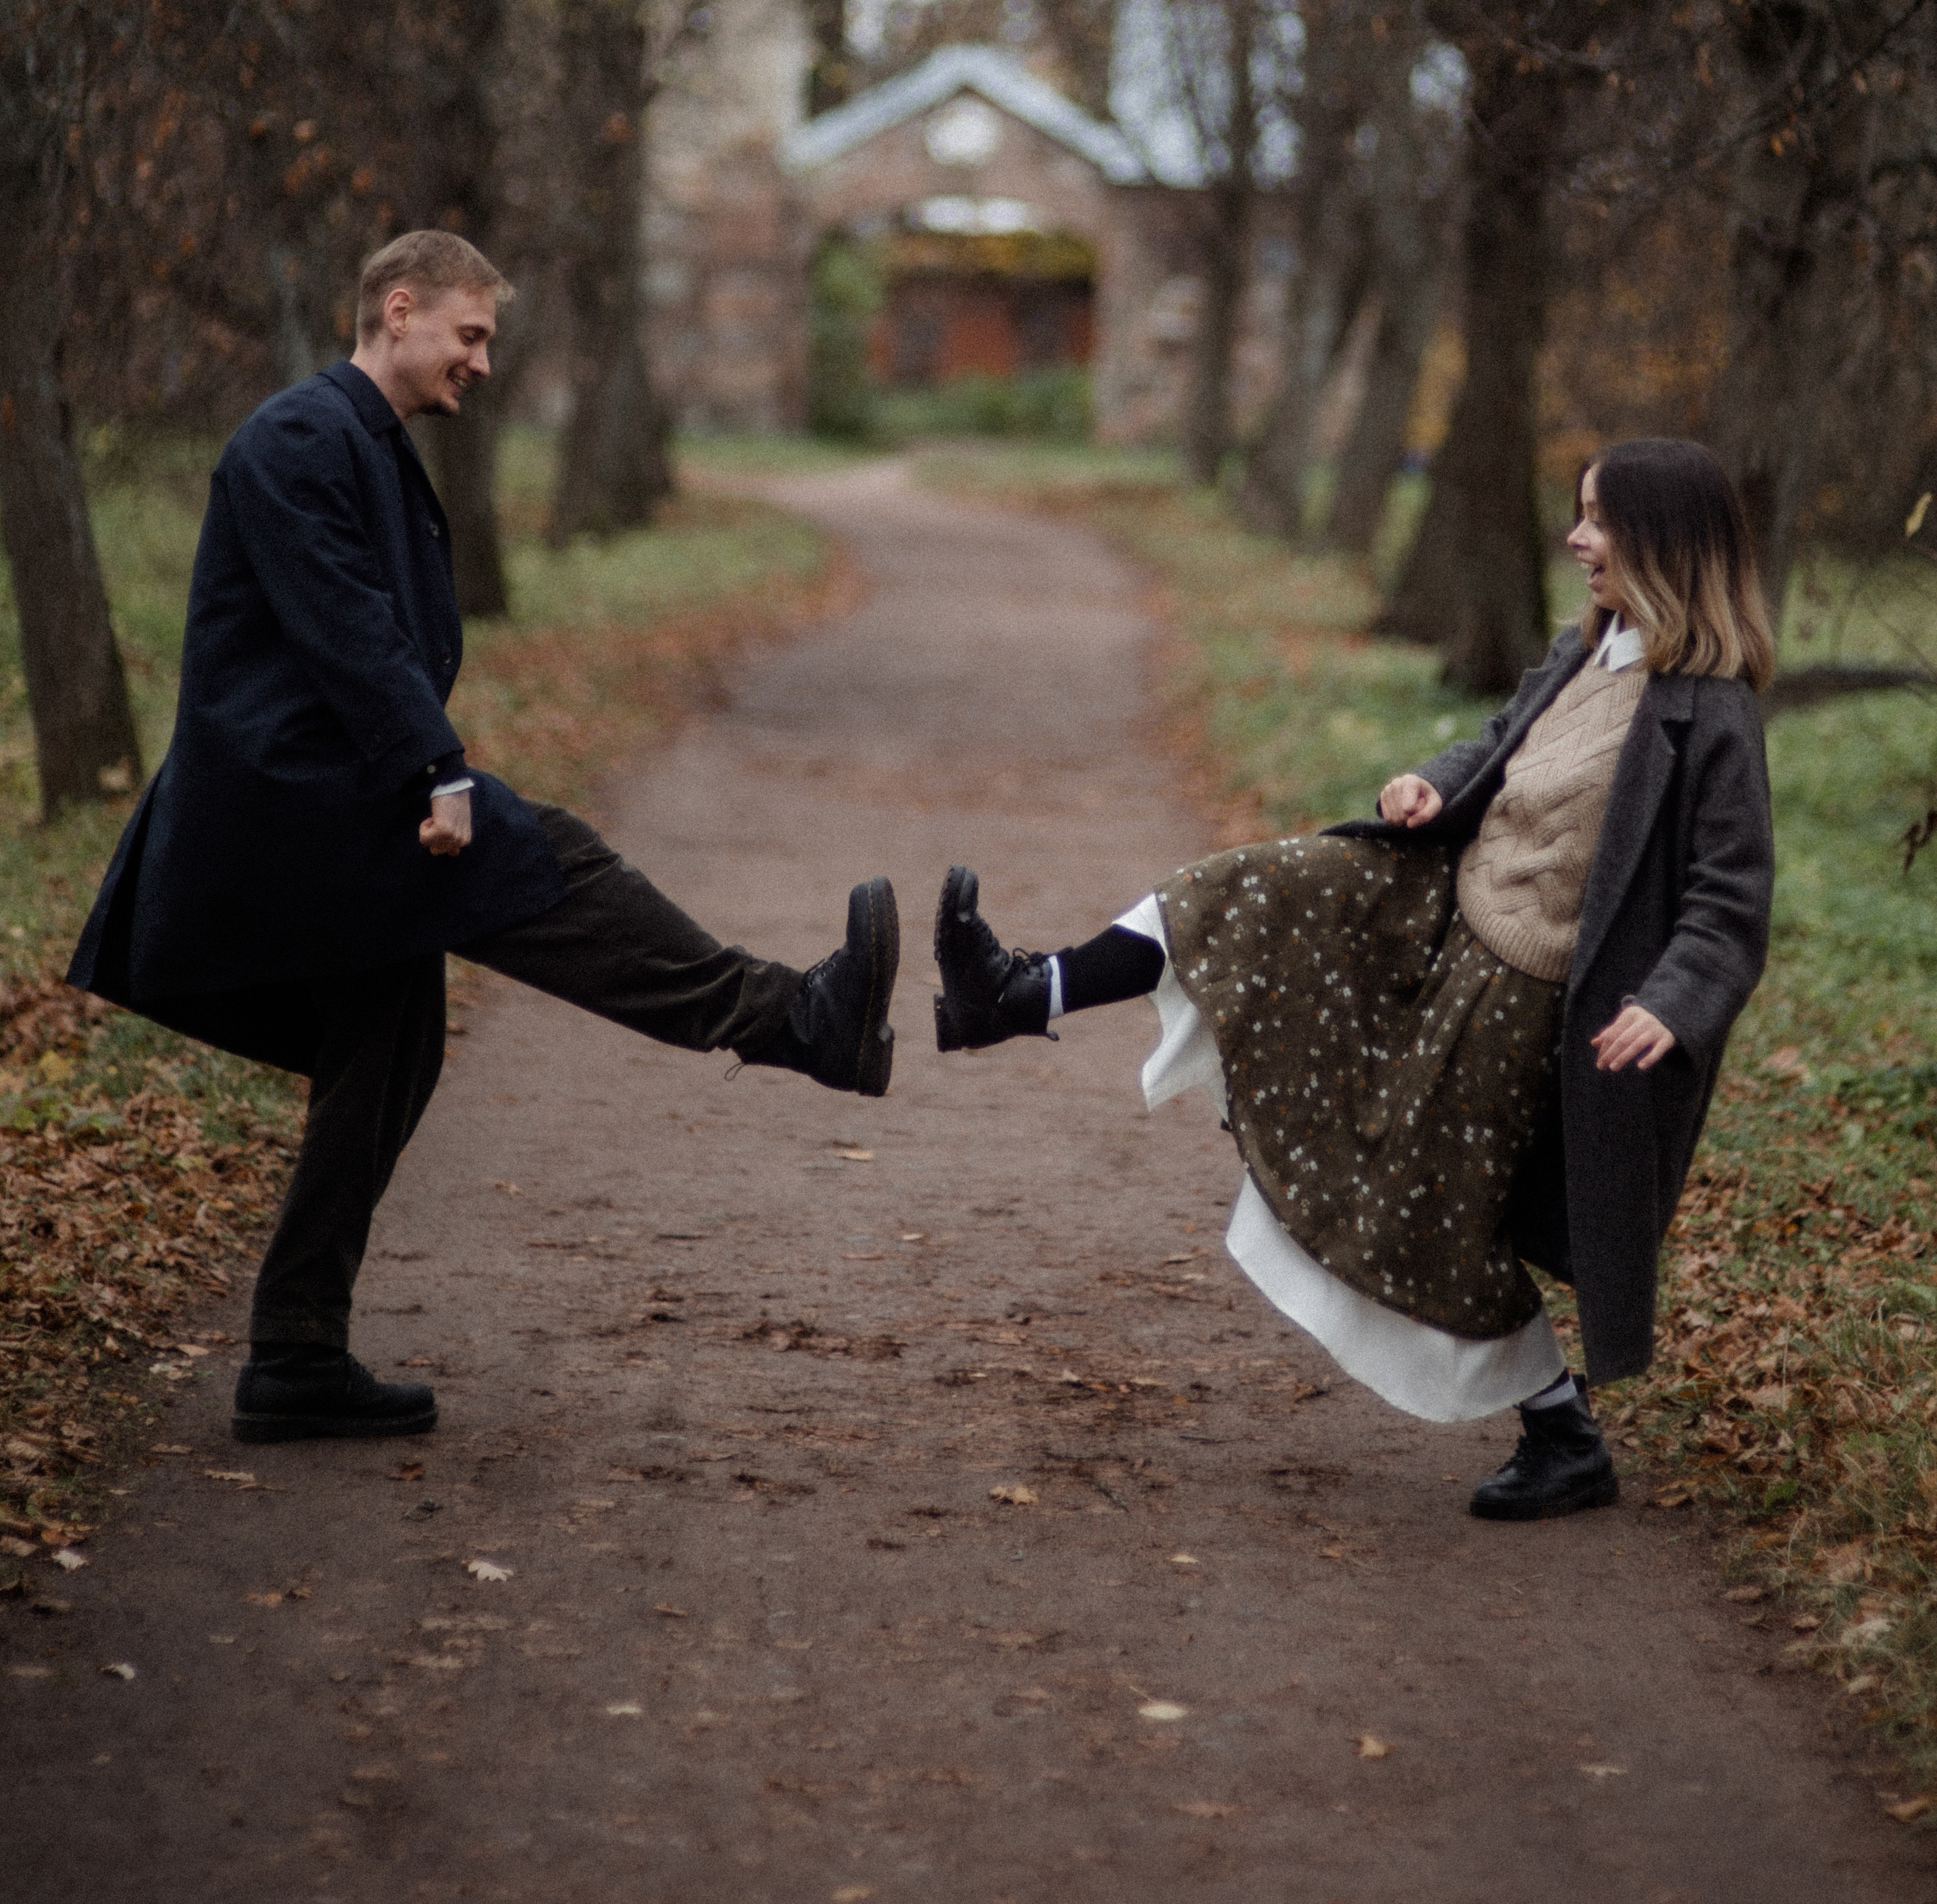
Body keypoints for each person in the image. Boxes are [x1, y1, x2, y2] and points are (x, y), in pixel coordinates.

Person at [71, 231, 900, 1447]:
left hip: (330, 794)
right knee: (548, 865)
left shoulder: (360, 439)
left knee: (388, 1054)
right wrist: (436, 767)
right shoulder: (301, 436)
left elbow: (369, 630)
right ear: (397, 311)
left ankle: (295, 1353)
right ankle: (797, 1019)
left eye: (489, 341)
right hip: (312, 804)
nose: (483, 363)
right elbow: (347, 628)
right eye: (470, 335)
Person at [931, 437, 1775, 1520]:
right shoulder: (1592, 652)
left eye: (1599, 521)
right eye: (1578, 516)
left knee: (1433, 1211)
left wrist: (1673, 1001)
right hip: (1434, 905)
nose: (1577, 540)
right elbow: (1501, 745)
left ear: (1663, 540)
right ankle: (1023, 990)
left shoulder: (1709, 714)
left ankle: (1564, 1434)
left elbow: (1729, 902)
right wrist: (1433, 780)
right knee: (1252, 887)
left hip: (1516, 1003)